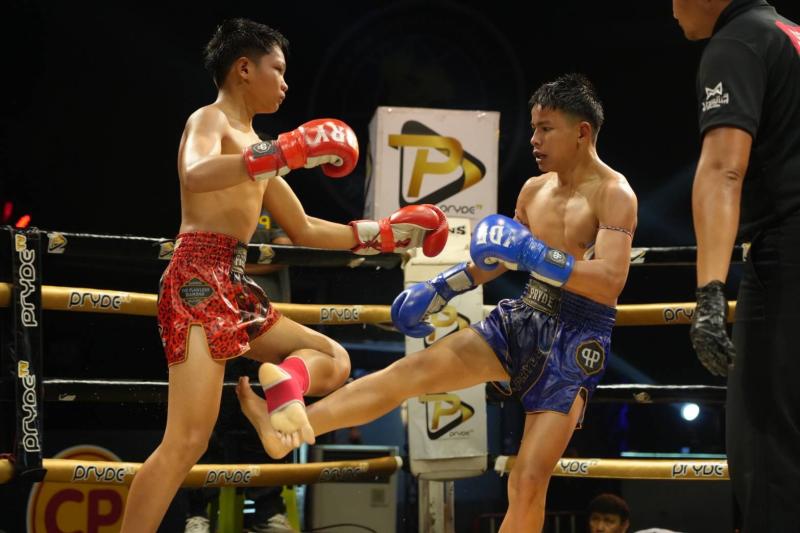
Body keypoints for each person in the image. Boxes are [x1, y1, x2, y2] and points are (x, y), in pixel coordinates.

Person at [238, 73, 638, 532]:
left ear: (582, 131)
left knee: (527, 481)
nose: (534, 139)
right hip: (525, 314)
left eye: (546, 128)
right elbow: (496, 257)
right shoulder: (534, 190)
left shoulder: (614, 193)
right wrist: (441, 288)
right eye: (533, 128)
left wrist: (534, 254)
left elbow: (609, 281)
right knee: (405, 374)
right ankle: (289, 429)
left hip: (576, 335)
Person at [120, 18, 448, 532]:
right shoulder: (209, 120)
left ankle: (285, 384)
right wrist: (282, 152)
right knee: (186, 442)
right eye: (278, 69)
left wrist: (385, 234)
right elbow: (194, 173)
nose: (286, 83)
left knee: (334, 360)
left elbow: (305, 228)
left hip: (234, 280)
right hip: (196, 278)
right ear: (243, 69)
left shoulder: (258, 148)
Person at [672, 1, 800, 530]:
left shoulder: (736, 41)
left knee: (766, 452)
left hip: (788, 257)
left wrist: (709, 294)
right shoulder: (791, 34)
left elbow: (724, 169)